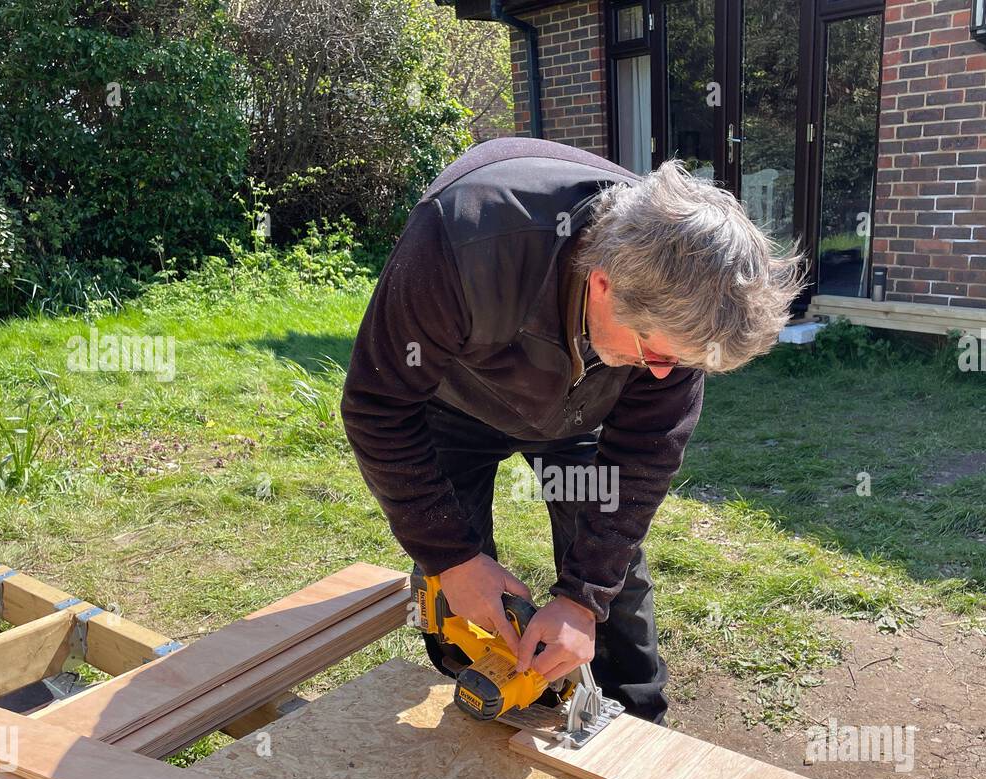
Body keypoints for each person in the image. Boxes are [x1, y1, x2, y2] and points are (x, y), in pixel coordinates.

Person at [341, 138, 800, 723]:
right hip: (450, 401)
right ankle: (477, 690)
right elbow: (378, 405)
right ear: (604, 283)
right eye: (653, 354)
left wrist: (583, 599)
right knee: (457, 574)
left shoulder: (677, 312)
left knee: (610, 571)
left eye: (677, 364)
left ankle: (636, 719)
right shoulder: (464, 236)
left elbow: (641, 460)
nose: (663, 374)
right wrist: (452, 558)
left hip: (579, 408)